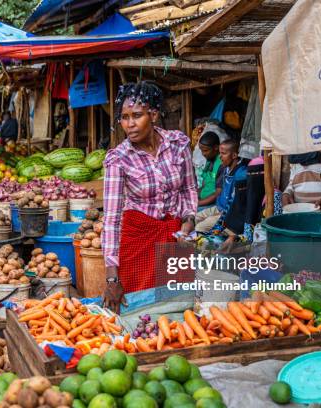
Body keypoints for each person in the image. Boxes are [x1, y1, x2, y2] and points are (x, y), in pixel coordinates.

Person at [101, 81, 198, 313]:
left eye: (137, 115)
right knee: (138, 311)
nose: (130, 124)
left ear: (153, 115)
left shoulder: (177, 144)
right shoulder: (119, 159)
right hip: (138, 242)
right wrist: (112, 278)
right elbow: (112, 220)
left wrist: (188, 222)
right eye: (124, 118)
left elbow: (189, 188)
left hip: (174, 237)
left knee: (177, 307)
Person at [195, 139, 247, 232]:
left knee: (200, 227)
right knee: (193, 218)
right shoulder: (224, 168)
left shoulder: (241, 174)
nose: (220, 157)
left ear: (234, 155)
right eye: (220, 153)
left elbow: (236, 203)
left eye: (223, 153)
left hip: (229, 213)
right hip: (219, 207)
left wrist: (221, 215)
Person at [195, 132, 222, 208]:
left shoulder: (221, 164)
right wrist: (192, 198)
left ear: (216, 147)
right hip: (203, 201)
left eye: (206, 150)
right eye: (201, 151)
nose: (203, 154)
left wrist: (198, 204)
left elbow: (218, 194)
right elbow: (204, 185)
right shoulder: (209, 161)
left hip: (213, 204)